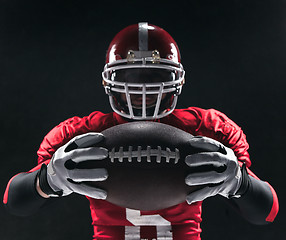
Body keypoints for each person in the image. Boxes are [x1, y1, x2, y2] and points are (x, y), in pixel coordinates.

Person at [3, 22, 279, 240]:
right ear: (109, 81)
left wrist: (238, 182)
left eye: (155, 78)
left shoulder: (206, 129)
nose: (143, 90)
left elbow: (267, 212)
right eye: (131, 78)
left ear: (177, 81)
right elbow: (14, 201)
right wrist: (49, 178)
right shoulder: (83, 134)